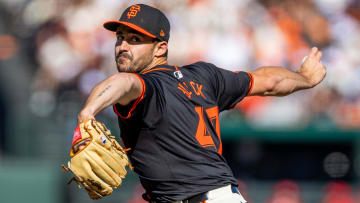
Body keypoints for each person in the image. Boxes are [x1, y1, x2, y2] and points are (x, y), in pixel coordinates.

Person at [76, 4, 326, 203]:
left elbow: (125, 83)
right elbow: (267, 81)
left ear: (160, 48)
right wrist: (304, 78)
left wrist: (88, 113)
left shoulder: (147, 86)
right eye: (120, 38)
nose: (123, 46)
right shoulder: (205, 77)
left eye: (135, 39)